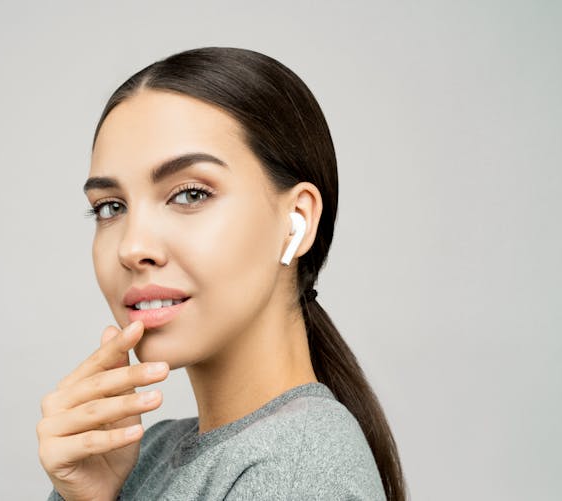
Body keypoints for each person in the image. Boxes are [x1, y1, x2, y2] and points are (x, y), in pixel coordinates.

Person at [37, 46, 407, 501]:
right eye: (110, 207)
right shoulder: (144, 455)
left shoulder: (296, 469)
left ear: (296, 220)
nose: (133, 248)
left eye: (190, 195)